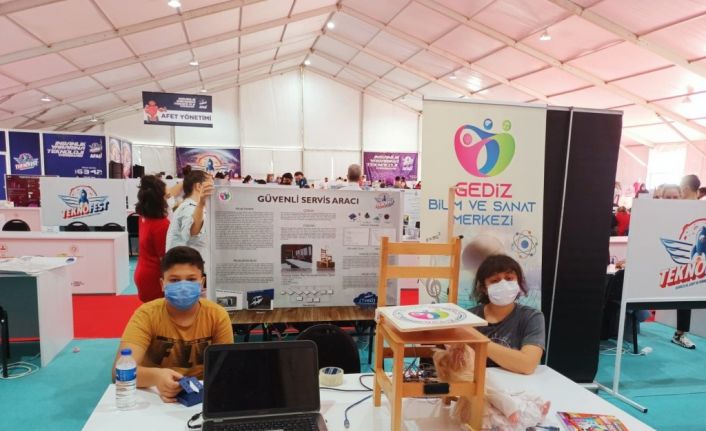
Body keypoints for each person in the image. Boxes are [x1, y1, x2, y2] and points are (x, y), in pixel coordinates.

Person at [113, 246, 234, 403]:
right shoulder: (146, 314)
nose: (183, 287)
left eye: (191, 279)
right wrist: (156, 376)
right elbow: (119, 372)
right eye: (175, 280)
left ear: (202, 282)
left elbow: (227, 368)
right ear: (162, 284)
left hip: (203, 395)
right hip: (154, 395)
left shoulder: (217, 315)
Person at [469, 255, 545, 374]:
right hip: (477, 381)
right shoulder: (469, 317)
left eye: (509, 278)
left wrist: (475, 338)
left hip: (517, 383)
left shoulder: (531, 317)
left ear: (518, 282)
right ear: (484, 288)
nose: (503, 284)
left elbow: (528, 365)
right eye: (495, 281)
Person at [672, 175, 701, 349]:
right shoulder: (678, 207)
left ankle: (680, 333)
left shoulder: (698, 208)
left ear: (686, 188)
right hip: (681, 256)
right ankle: (680, 333)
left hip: (694, 257)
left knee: (686, 294)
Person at [166, 171, 214, 271]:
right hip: (186, 270)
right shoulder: (189, 208)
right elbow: (192, 233)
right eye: (211, 185)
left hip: (188, 267)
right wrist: (201, 204)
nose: (214, 189)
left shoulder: (190, 206)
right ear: (199, 186)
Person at [133, 176, 171, 303]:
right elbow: (164, 259)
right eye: (165, 196)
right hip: (155, 278)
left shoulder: (143, 217)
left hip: (142, 272)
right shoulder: (161, 225)